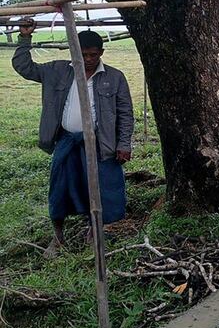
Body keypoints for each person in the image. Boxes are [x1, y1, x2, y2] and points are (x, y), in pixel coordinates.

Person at [12, 22, 133, 257]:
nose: (87, 59)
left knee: (99, 189)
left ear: (101, 53)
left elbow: (125, 112)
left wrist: (124, 143)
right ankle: (57, 238)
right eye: (82, 54)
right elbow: (24, 67)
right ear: (73, 50)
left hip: (101, 144)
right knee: (60, 189)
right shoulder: (57, 70)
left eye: (92, 55)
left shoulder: (114, 77)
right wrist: (25, 39)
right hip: (67, 142)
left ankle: (93, 232)